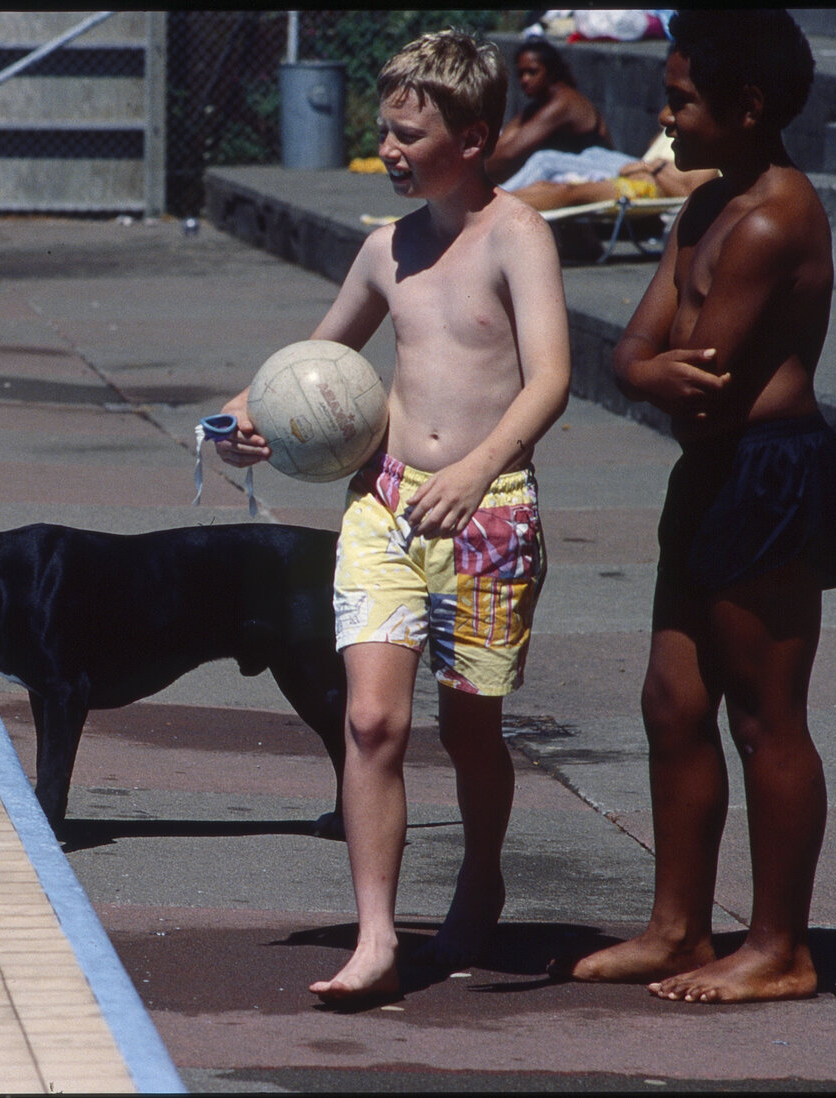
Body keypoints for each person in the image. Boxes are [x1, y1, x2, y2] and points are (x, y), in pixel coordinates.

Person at [215, 28, 570, 1004]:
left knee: (469, 731)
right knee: (371, 720)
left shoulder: (517, 236)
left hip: (488, 513)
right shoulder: (386, 250)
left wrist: (485, 464)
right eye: (386, 131)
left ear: (475, 139)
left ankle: (481, 874)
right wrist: (238, 424)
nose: (391, 149)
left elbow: (551, 380)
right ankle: (377, 936)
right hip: (383, 508)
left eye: (410, 134)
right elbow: (306, 366)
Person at [565, 10, 836, 1004]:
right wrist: (646, 368)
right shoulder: (704, 208)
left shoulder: (776, 216)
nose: (665, 115)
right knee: (673, 703)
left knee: (766, 718)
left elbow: (704, 383)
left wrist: (647, 369)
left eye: (682, 99)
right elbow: (632, 353)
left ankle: (782, 947)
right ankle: (680, 927)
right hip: (711, 476)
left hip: (772, 472)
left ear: (749, 106)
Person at [486, 40, 617, 184]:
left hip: (603, 167)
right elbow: (499, 148)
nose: (524, 79)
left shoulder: (565, 102)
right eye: (521, 73)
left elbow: (508, 155)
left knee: (543, 161)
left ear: (551, 72)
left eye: (532, 72)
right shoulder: (534, 108)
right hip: (570, 175)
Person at [509, 129, 721, 212]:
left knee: (569, 192)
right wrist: (651, 167)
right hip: (636, 181)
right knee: (545, 185)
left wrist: (653, 169)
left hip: (647, 190)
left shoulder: (707, 160)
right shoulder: (679, 145)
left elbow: (688, 194)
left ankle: (502, 209)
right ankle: (498, 202)